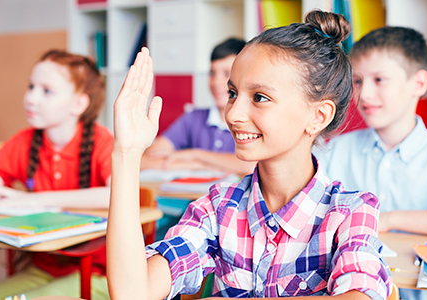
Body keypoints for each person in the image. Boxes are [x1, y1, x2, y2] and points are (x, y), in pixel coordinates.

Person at [107, 10, 392, 300]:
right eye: (233, 93)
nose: (234, 113)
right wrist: (127, 153)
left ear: (318, 116)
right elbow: (132, 294)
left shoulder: (349, 212)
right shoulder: (217, 208)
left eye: (260, 97)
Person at [314, 26, 427, 300]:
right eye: (358, 81)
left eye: (379, 80)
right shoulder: (338, 149)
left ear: (419, 84)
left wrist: (387, 220)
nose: (364, 95)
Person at [0, 50, 113, 300]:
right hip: (43, 270)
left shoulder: (102, 141)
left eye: (46, 91)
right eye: (31, 87)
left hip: (98, 275)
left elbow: (117, 195)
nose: (31, 98)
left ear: (79, 103)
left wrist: (33, 199)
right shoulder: (26, 142)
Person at [141, 38, 256, 174]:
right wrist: (195, 165)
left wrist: (196, 155)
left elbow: (253, 166)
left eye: (227, 74)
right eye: (212, 73)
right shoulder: (194, 118)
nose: (216, 82)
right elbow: (145, 160)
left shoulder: (252, 121)